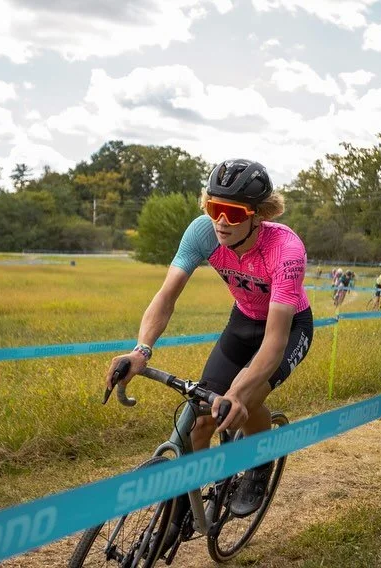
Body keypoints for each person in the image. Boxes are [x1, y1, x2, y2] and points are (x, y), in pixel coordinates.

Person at [105, 159, 314, 534]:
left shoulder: (286, 250)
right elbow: (166, 296)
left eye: (232, 213)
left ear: (257, 215)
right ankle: (187, 507)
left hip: (287, 326)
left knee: (244, 402)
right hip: (242, 321)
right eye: (213, 208)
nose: (221, 221)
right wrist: (141, 350)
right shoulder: (202, 233)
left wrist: (237, 392)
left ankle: (260, 461)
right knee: (203, 417)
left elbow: (275, 339)